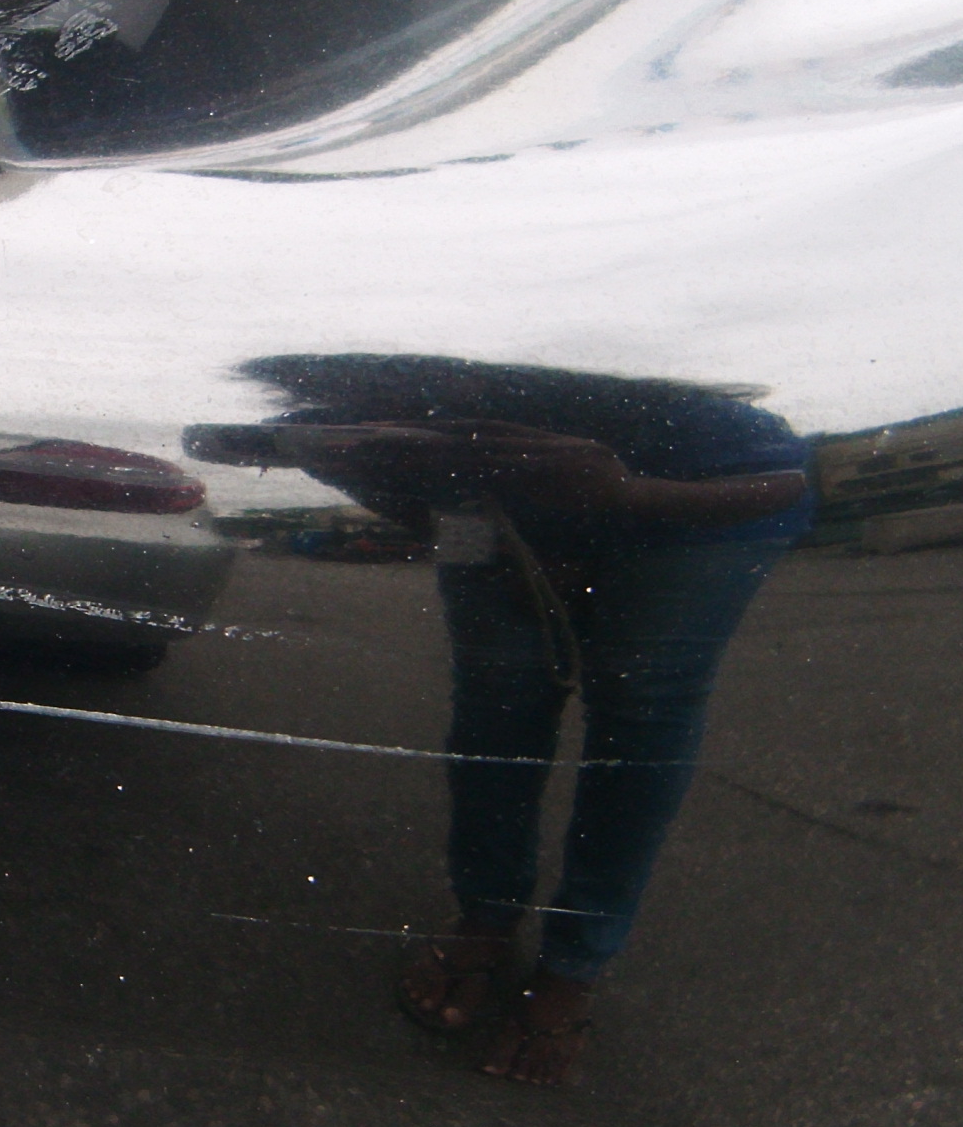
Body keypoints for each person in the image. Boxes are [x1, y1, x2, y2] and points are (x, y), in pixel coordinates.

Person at [233, 357, 811, 1085]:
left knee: (644, 706)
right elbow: (395, 497)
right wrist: (505, 548)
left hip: (699, 498)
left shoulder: (628, 392)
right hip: (489, 513)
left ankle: (574, 965)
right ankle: (486, 915)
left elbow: (785, 484)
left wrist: (624, 495)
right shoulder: (325, 426)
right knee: (496, 700)